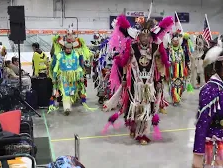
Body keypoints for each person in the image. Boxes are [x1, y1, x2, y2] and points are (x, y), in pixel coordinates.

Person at [102, 15, 173, 145]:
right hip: (134, 84)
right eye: (142, 36)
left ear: (151, 37)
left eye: (147, 36)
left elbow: (161, 65)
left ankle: (144, 135)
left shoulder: (156, 49)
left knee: (147, 110)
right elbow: (125, 64)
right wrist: (124, 79)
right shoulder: (133, 49)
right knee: (134, 108)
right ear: (138, 37)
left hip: (149, 85)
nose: (145, 38)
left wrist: (160, 80)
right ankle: (134, 127)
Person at [51, 43, 87, 115]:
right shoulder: (60, 56)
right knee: (65, 92)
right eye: (67, 48)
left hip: (73, 78)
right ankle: (66, 108)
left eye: (70, 48)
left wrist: (81, 76)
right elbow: (56, 68)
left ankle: (69, 105)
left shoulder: (75, 55)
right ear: (64, 49)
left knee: (71, 92)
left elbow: (78, 67)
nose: (68, 50)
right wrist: (54, 77)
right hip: (63, 77)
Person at [167, 32, 189, 105]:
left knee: (180, 85)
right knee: (173, 85)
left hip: (181, 71)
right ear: (172, 42)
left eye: (177, 41)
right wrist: (171, 63)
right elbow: (167, 60)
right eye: (174, 41)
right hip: (173, 71)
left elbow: (184, 60)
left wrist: (184, 68)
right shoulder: (170, 50)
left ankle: (178, 97)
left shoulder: (181, 50)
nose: (176, 42)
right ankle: (174, 99)